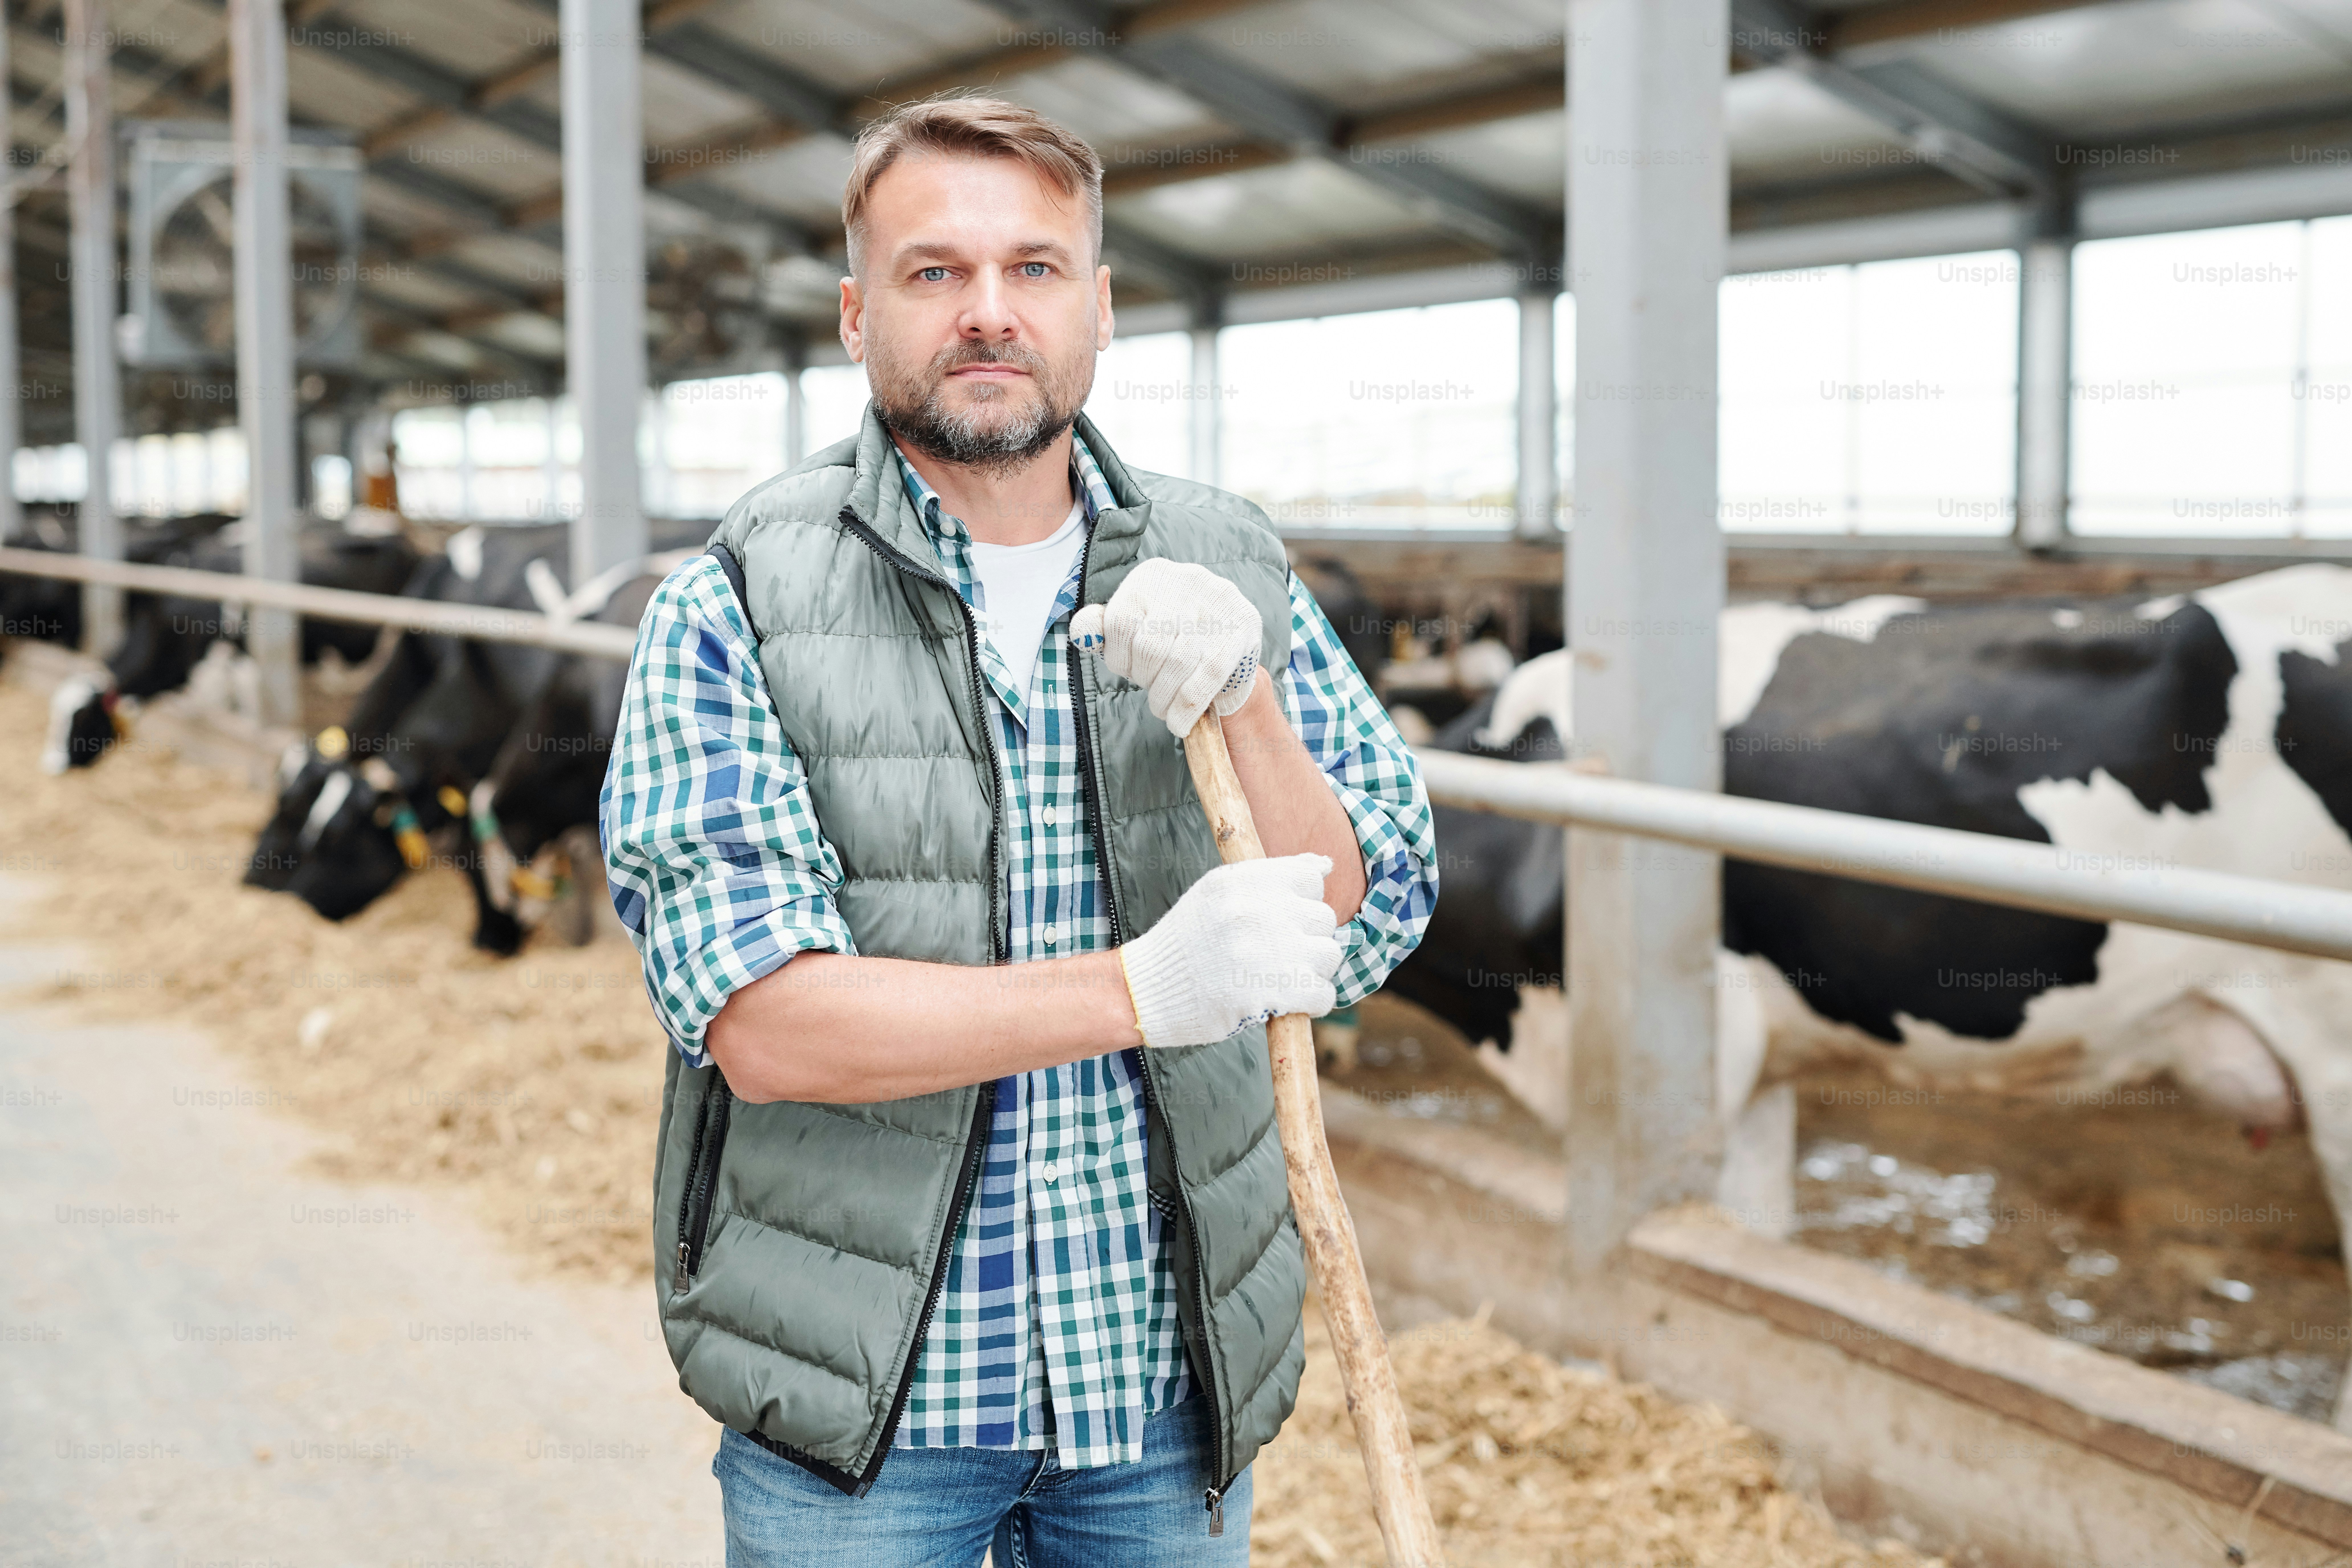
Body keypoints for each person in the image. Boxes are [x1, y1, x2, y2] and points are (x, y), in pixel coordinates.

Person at [600, 94, 1438, 1568]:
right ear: (860, 316)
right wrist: (1142, 992)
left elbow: (1358, 919)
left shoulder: (1229, 558)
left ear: (1100, 308)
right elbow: (765, 1025)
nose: (989, 313)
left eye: (1035, 270)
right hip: (865, 1409)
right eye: (935, 274)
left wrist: (1246, 699)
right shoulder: (734, 599)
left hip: (1163, 1396)